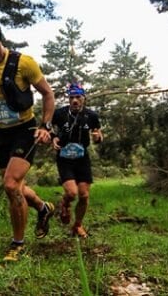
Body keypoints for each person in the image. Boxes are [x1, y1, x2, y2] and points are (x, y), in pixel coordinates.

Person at [0, 17, 56, 263]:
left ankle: (17, 244)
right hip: (2, 131)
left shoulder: (23, 63)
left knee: (10, 185)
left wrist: (45, 126)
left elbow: (48, 94)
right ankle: (43, 208)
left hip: (25, 129)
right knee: (15, 186)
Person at [50, 82, 103, 238]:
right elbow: (48, 127)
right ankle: (64, 204)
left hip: (82, 158)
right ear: (68, 98)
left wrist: (98, 138)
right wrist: (53, 138)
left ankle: (78, 225)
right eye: (72, 97)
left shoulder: (92, 116)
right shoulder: (59, 113)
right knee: (72, 193)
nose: (74, 100)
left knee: (84, 195)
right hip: (64, 158)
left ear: (83, 98)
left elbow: (98, 133)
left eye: (78, 97)